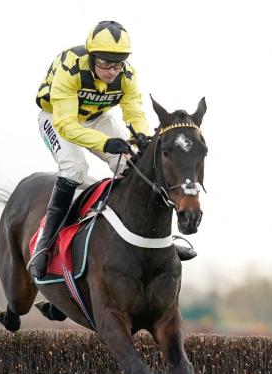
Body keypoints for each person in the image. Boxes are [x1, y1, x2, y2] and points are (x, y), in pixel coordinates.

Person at [30, 21, 194, 279]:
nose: (113, 71)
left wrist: (139, 135)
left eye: (118, 64)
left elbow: (134, 111)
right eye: (106, 64)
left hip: (96, 118)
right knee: (75, 169)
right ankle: (45, 244)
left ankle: (160, 240)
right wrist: (105, 143)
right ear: (92, 57)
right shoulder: (70, 68)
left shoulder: (127, 75)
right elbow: (66, 125)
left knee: (134, 165)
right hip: (57, 118)